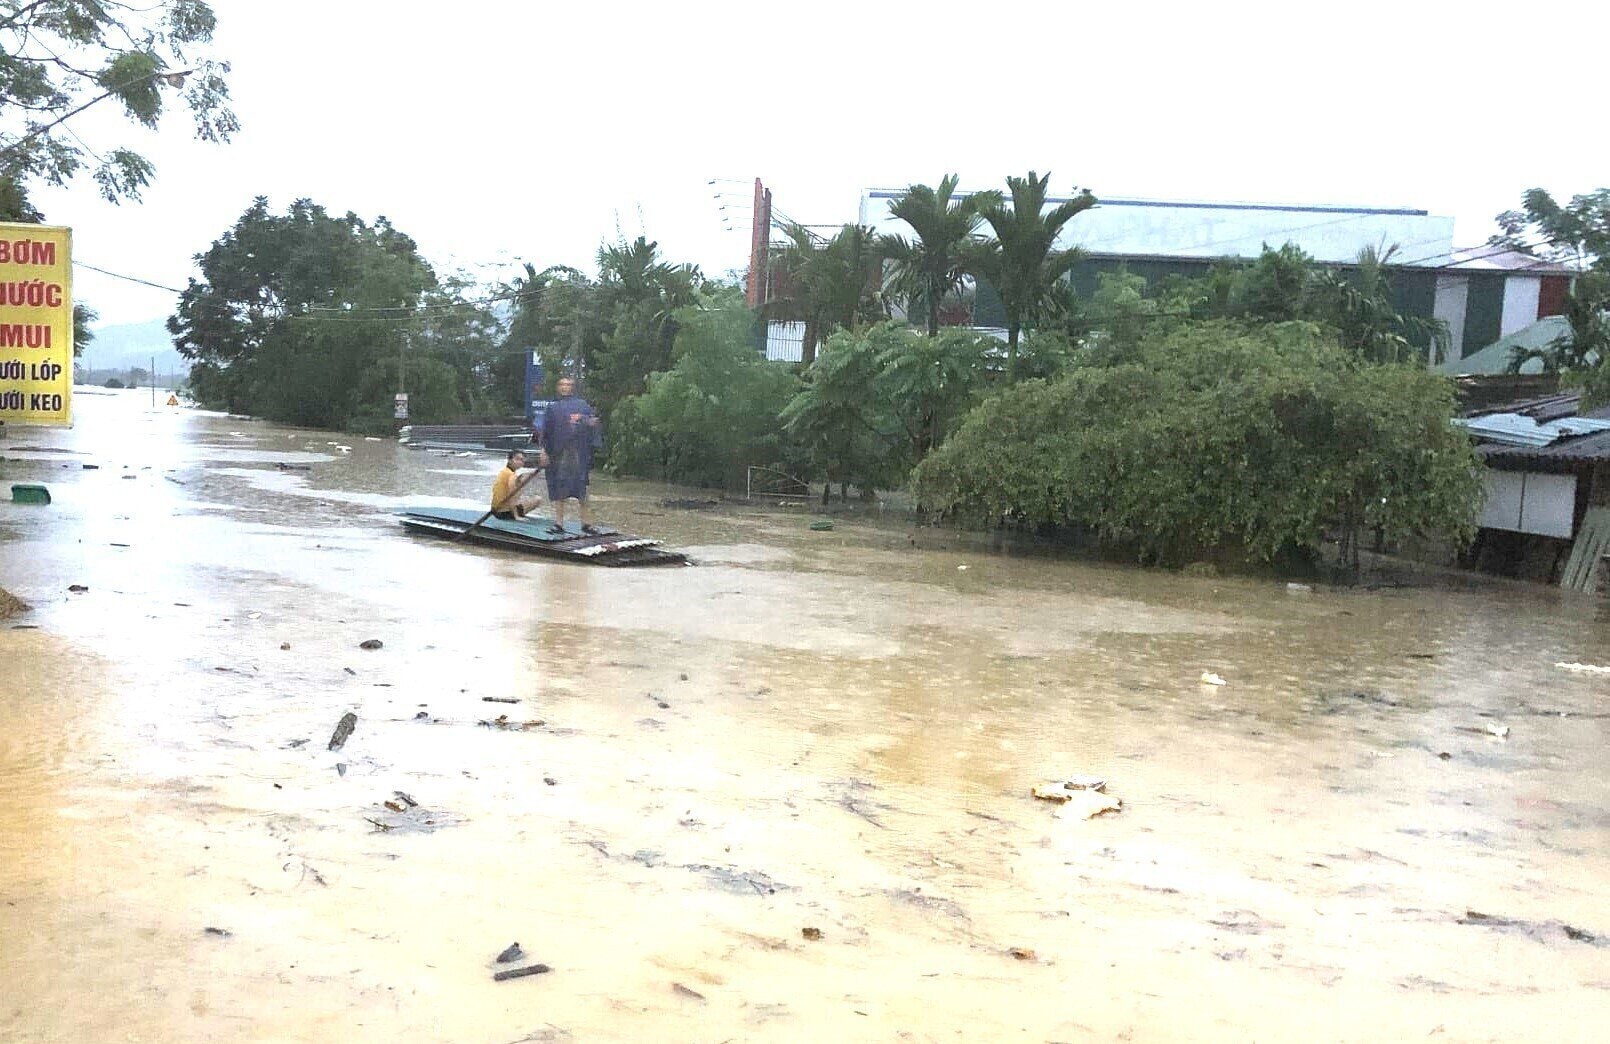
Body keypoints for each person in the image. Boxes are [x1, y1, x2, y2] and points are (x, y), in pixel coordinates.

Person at [538, 375, 601, 534]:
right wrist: (543, 451)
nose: (565, 387)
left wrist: (592, 424)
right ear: (558, 387)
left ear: (573, 387)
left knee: (582, 490)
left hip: (579, 454)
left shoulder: (583, 406)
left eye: (568, 384)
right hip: (559, 455)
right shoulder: (552, 408)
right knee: (560, 488)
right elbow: (545, 432)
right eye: (562, 384)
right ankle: (559, 524)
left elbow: (593, 426)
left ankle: (586, 523)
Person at [490, 450, 539, 521]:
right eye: (517, 459)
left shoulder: (504, 471)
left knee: (521, 496)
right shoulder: (512, 475)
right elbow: (512, 497)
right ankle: (515, 514)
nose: (520, 462)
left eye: (522, 460)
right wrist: (516, 516)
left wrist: (532, 473)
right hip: (504, 513)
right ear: (510, 460)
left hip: (495, 510)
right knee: (537, 499)